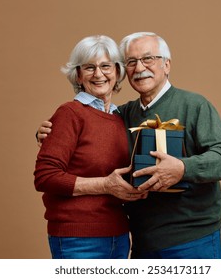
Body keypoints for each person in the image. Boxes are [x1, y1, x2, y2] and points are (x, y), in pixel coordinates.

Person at [37, 32, 221, 259]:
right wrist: (48, 132)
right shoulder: (121, 115)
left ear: (167, 64)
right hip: (141, 239)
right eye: (131, 62)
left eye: (148, 59)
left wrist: (182, 168)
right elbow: (87, 131)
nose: (140, 67)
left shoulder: (194, 105)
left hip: (192, 238)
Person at [34, 35, 147, 259]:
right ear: (78, 75)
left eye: (105, 66)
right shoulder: (69, 113)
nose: (98, 74)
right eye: (89, 67)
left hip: (119, 234)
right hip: (78, 238)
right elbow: (45, 177)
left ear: (117, 71)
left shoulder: (120, 118)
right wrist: (105, 185)